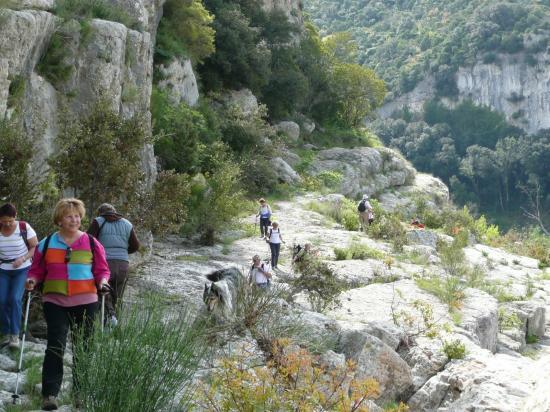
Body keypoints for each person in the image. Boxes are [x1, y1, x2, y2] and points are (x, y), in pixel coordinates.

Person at [26, 198, 110, 411]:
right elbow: (36, 270)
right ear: (59, 219)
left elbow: (102, 270)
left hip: (86, 301)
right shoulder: (46, 243)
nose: (75, 220)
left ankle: (80, 393)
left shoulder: (91, 242)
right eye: (69, 216)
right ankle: (50, 395)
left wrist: (103, 282)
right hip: (55, 301)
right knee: (55, 346)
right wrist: (32, 280)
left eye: (78, 216)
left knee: (84, 348)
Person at [87, 203, 140, 327]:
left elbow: (87, 241)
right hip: (123, 264)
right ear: (114, 211)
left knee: (102, 292)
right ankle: (116, 325)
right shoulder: (127, 223)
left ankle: (110, 317)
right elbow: (136, 246)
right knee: (118, 295)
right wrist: (122, 252)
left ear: (100, 212)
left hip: (104, 263)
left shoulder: (98, 221)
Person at [0, 203, 38, 349]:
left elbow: (35, 247)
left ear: (15, 217)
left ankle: (14, 335)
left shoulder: (24, 227)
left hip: (22, 269)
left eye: (10, 220)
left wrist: (22, 258)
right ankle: (5, 330)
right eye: (4, 221)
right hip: (3, 269)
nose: (7, 223)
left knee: (15, 299)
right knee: (2, 300)